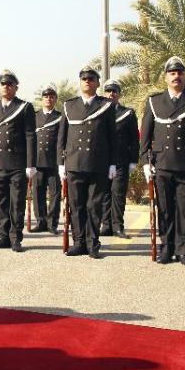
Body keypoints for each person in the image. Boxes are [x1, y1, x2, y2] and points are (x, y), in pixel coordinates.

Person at [139, 56, 185, 266]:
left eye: (180, 72)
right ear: (166, 77)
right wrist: (145, 162)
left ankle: (183, 250)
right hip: (162, 164)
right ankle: (166, 249)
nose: (176, 76)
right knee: (165, 209)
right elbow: (146, 134)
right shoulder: (154, 101)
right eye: (172, 73)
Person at [57, 66, 116, 259]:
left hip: (97, 164)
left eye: (91, 78)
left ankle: (93, 243)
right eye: (84, 78)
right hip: (74, 164)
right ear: (80, 82)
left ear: (98, 83)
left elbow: (112, 137)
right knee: (76, 205)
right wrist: (61, 163)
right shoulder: (69, 106)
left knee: (94, 205)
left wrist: (112, 163)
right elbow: (62, 137)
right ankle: (79, 242)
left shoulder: (106, 105)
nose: (87, 81)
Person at [0, 70, 36, 252]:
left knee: (17, 202)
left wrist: (30, 164)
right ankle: (3, 236)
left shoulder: (24, 107)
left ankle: (16, 237)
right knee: (1, 202)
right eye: (3, 84)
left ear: (16, 87)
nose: (6, 87)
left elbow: (30, 136)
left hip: (17, 163)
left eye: (10, 84)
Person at [100, 80, 139, 238]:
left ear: (119, 93)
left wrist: (133, 160)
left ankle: (118, 226)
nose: (111, 94)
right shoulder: (99, 113)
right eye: (108, 91)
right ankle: (106, 225)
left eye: (114, 91)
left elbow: (134, 139)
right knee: (104, 194)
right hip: (103, 161)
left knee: (118, 194)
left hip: (121, 161)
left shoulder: (128, 114)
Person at [30, 85, 62, 235]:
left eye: (51, 96)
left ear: (55, 99)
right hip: (37, 161)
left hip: (54, 162)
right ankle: (40, 221)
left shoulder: (60, 117)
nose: (48, 99)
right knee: (37, 193)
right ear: (42, 99)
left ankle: (52, 223)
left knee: (55, 194)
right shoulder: (34, 117)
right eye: (46, 96)